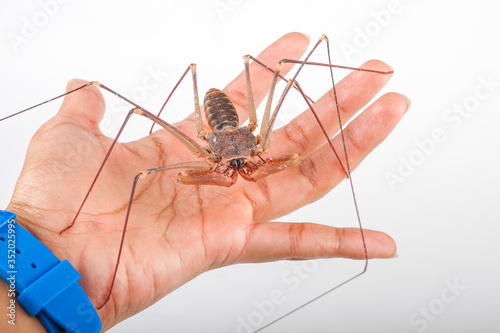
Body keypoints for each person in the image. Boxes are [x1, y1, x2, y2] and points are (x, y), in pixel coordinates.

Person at [0, 32, 407, 331]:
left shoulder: (254, 140)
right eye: (232, 164)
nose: (236, 170)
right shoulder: (205, 144)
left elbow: (284, 104)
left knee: (289, 74)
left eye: (242, 161)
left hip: (235, 130)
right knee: (145, 161)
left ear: (254, 143)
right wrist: (50, 236)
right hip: (214, 125)